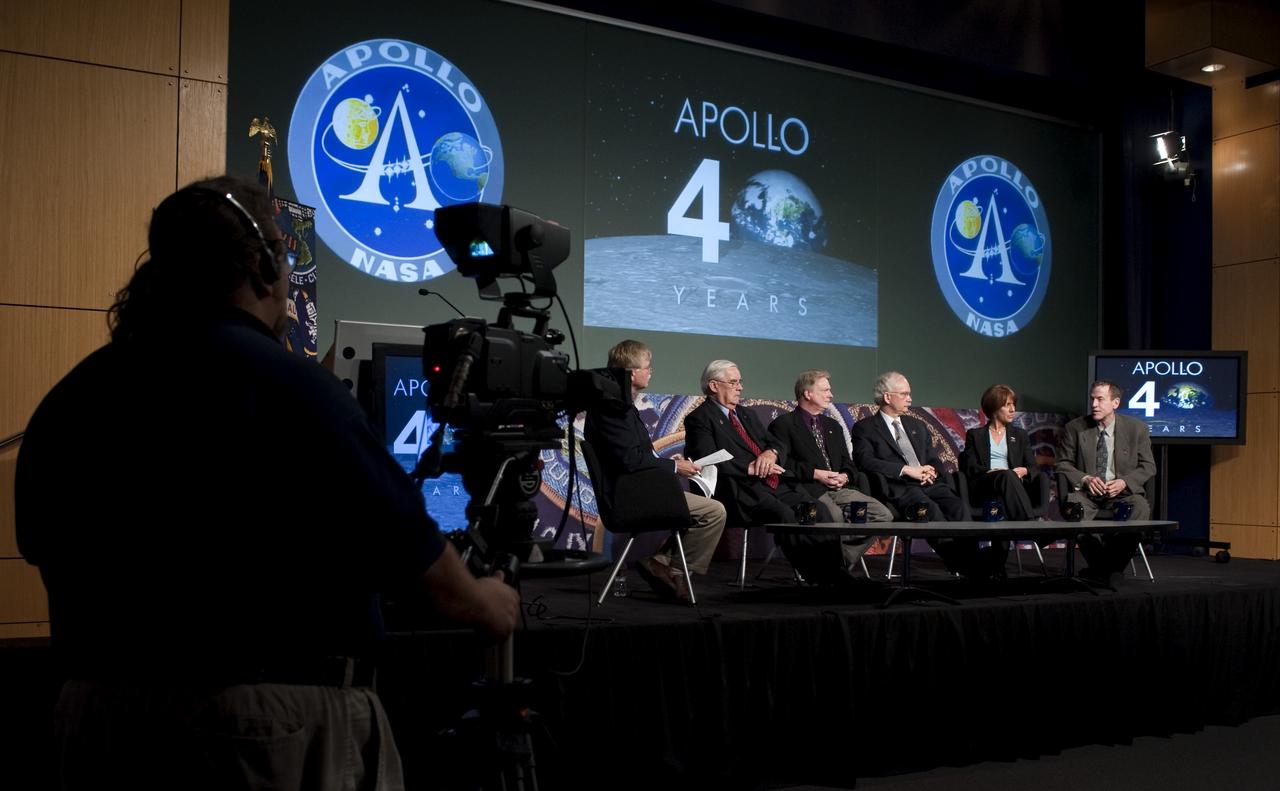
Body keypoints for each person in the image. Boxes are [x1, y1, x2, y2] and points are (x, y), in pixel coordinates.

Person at [14, 177, 519, 791]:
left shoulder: (73, 396)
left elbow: (44, 546)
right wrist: (486, 601)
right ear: (264, 265)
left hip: (93, 724)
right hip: (261, 734)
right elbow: (424, 569)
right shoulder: (294, 390)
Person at [583, 340, 727, 604]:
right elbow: (628, 460)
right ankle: (673, 570)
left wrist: (673, 463)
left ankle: (662, 564)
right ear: (631, 372)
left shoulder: (620, 406)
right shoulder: (614, 409)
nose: (651, 372)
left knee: (708, 509)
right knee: (713, 512)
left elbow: (638, 456)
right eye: (647, 367)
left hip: (642, 489)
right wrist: (674, 466)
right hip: (629, 498)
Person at [851, 371, 1004, 578]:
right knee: (930, 510)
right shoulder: (865, 428)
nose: (910, 399)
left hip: (930, 483)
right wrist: (906, 470)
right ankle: (968, 565)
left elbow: (934, 458)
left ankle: (970, 561)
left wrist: (930, 470)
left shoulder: (917, 426)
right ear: (887, 397)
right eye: (904, 394)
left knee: (957, 507)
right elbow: (865, 461)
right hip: (900, 487)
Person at [767, 369, 892, 571]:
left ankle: (836, 562)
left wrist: (845, 475)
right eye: (825, 390)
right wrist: (815, 473)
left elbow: (847, 462)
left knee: (881, 515)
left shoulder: (833, 425)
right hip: (809, 489)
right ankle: (832, 568)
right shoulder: (784, 424)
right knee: (834, 518)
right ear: (808, 394)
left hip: (840, 489)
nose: (830, 395)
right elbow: (782, 464)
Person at [684, 359, 809, 528]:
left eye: (740, 382)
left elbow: (775, 442)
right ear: (714, 386)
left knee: (815, 510)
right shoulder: (700, 418)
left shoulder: (747, 414)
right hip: (741, 490)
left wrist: (770, 453)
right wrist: (749, 467)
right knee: (785, 514)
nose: (740, 388)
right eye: (733, 382)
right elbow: (707, 458)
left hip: (773, 483)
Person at [1056, 379, 1156, 580]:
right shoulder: (1075, 428)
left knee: (1140, 507)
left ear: (1115, 403)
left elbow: (1148, 466)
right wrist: (1085, 479)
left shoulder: (1137, 429)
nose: (1094, 405)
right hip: (1088, 493)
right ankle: (1108, 571)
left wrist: (1124, 482)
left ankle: (1104, 569)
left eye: (1100, 399)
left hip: (1122, 493)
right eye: (1092, 399)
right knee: (1074, 507)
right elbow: (1062, 464)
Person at [960, 384, 1041, 521]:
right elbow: (970, 466)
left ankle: (1017, 532)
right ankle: (1031, 526)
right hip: (985, 484)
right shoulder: (975, 435)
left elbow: (1033, 467)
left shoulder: (1020, 435)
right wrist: (993, 471)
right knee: (1007, 474)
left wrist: (1024, 471)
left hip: (1012, 485)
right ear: (994, 407)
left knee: (1008, 477)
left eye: (1014, 404)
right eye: (1007, 405)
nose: (1013, 409)